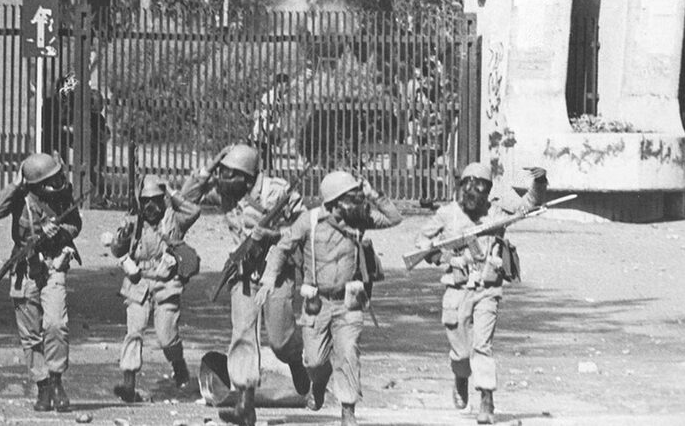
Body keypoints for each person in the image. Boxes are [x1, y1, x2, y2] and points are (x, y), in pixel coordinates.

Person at [257, 171, 402, 426]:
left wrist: (373, 194)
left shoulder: (358, 218)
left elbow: (394, 218)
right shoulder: (309, 221)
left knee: (348, 352)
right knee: (314, 361)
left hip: (348, 302)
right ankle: (319, 381)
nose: (357, 202)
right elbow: (282, 248)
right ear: (334, 202)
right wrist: (269, 278)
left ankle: (348, 410)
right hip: (317, 303)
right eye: (351, 198)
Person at [180, 143, 309, 426]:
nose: (222, 179)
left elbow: (304, 224)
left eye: (229, 173)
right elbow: (185, 198)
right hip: (244, 272)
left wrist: (275, 234)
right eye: (221, 172)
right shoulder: (226, 192)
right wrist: (211, 165)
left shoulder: (276, 192)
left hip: (275, 271)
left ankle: (295, 360)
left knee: (280, 339)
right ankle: (244, 404)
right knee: (242, 334)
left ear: (247, 177)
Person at [413, 162, 548, 424]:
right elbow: (421, 242)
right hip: (457, 290)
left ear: (488, 190)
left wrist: (539, 183)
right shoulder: (447, 214)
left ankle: (487, 398)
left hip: (488, 289)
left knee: (482, 346)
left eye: (480, 186)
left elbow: (529, 205)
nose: (473, 190)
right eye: (469, 185)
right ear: (461, 186)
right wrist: (444, 256)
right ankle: (461, 376)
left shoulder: (497, 212)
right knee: (462, 353)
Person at [0, 152, 83, 413]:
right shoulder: (20, 197)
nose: (58, 182)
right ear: (38, 184)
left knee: (56, 324)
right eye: (51, 180)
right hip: (25, 268)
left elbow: (75, 224)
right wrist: (15, 186)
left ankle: (57, 380)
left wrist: (59, 232)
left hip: (53, 265)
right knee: (30, 333)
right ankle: (42, 386)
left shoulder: (62, 196)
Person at [106, 174, 201, 402]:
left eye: (156, 200)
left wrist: (170, 191)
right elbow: (117, 251)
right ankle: (129, 383)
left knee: (166, 336)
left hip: (166, 283)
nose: (151, 206)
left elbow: (193, 211)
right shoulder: (133, 222)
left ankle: (179, 368)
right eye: (146, 201)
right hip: (138, 282)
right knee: (134, 332)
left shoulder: (174, 220)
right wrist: (122, 237)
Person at [251, 73, 291, 170]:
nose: (287, 87)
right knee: (265, 166)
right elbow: (266, 118)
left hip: (265, 136)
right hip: (262, 134)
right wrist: (275, 137)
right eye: (286, 84)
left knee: (267, 164)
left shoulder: (279, 98)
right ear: (279, 84)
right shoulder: (271, 97)